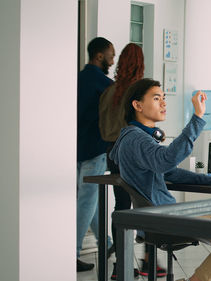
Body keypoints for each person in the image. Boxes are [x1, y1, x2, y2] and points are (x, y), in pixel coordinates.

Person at [109, 78, 211, 281]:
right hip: (165, 218)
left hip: (160, 217)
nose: (164, 103)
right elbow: (166, 161)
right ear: (137, 105)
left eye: (164, 98)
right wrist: (198, 117)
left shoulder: (135, 137)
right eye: (157, 98)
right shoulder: (136, 139)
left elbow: (170, 172)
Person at [98, 43, 151, 279]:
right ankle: (149, 260)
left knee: (121, 207)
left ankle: (121, 265)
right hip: (135, 154)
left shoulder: (109, 91)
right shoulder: (139, 92)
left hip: (112, 153)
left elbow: (102, 126)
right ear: (140, 63)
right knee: (149, 206)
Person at [77, 37, 115, 272]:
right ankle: (71, 251)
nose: (113, 59)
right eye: (111, 55)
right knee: (86, 201)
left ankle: (107, 243)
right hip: (95, 149)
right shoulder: (105, 84)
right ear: (99, 56)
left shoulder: (76, 79)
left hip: (74, 148)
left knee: (89, 201)